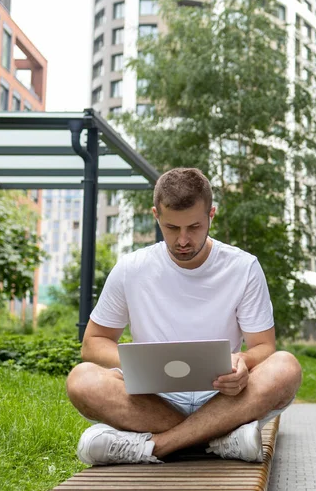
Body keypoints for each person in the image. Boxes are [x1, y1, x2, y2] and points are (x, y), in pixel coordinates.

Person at [66, 167, 302, 466]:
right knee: (81, 379)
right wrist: (141, 363)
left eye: (194, 227)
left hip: (225, 397)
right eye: (171, 228)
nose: (183, 240)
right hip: (152, 398)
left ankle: (156, 446)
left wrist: (244, 362)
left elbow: (264, 346)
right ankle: (221, 440)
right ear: (156, 215)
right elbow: (93, 343)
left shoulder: (243, 267)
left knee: (286, 367)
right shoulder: (131, 268)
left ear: (211, 215)